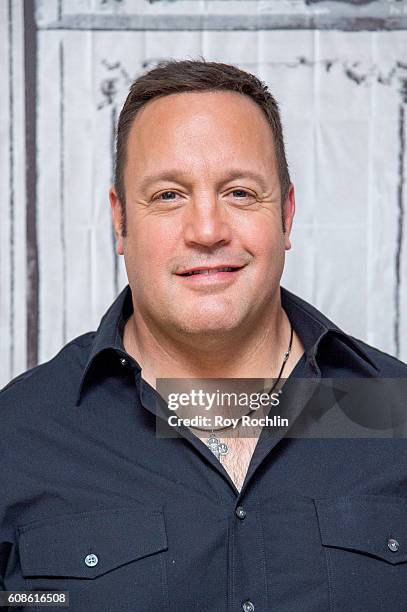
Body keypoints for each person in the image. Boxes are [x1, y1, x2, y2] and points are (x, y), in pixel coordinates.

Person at [1, 59, 407, 612]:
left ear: (286, 213)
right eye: (168, 195)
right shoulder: (18, 435)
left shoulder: (394, 411)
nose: (208, 231)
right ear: (120, 222)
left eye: (240, 193)